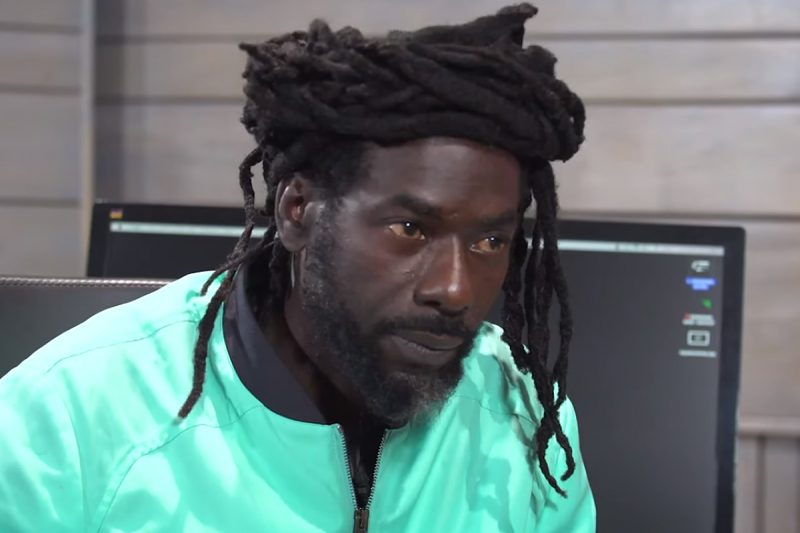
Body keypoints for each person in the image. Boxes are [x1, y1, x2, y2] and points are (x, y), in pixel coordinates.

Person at [0, 4, 595, 532]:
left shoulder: (527, 420)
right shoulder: (68, 422)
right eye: (410, 229)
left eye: (490, 241)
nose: (456, 289)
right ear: (297, 210)